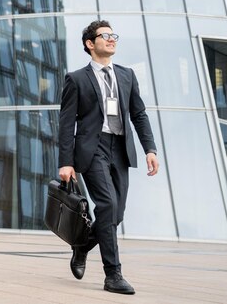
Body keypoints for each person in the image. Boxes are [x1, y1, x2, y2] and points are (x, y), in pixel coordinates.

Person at [58, 20, 159, 295]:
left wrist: (150, 149)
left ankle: (82, 245)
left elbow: (139, 114)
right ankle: (113, 274)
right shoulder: (76, 79)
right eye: (105, 36)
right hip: (93, 150)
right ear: (90, 44)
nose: (112, 39)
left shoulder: (127, 75)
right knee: (107, 204)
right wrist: (65, 162)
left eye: (113, 35)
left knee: (116, 213)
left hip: (121, 149)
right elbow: (67, 124)